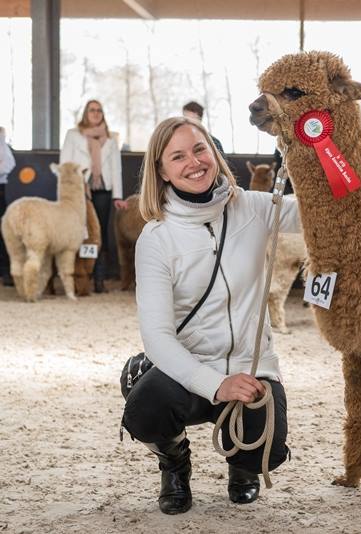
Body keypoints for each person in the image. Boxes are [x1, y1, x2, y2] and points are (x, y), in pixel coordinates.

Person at [121, 117, 300, 514]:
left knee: (267, 450)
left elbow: (326, 215)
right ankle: (174, 462)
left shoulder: (255, 208)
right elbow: (158, 336)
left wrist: (318, 148)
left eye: (200, 149)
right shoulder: (156, 238)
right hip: (188, 369)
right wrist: (217, 384)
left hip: (252, 368)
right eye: (178, 156)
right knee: (144, 410)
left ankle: (243, 467)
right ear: (162, 171)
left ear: (214, 153)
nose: (194, 162)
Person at [59, 99, 124, 293]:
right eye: (91, 110)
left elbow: (116, 168)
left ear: (102, 113)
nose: (95, 113)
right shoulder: (73, 135)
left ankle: (99, 279)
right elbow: (65, 165)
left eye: (99, 110)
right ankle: (81, 279)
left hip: (103, 190)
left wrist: (117, 196)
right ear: (86, 113)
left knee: (99, 234)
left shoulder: (111, 139)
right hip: (79, 190)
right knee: (80, 233)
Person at [0, 126, 16, 286]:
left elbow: (8, 164)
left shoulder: (1, 140)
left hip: (0, 188)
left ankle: (6, 272)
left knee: (2, 232)